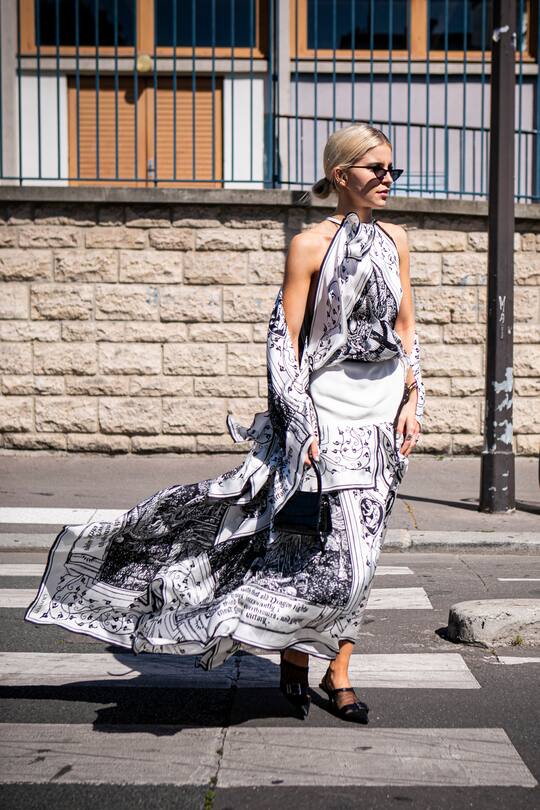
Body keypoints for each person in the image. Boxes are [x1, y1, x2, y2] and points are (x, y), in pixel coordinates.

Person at [26, 122, 424, 725]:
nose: (389, 180)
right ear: (342, 176)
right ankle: (300, 663)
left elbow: (406, 328)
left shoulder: (397, 240)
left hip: (380, 413)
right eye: (378, 170)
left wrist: (414, 398)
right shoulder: (309, 245)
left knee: (362, 554)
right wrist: (301, 421)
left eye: (394, 170)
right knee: (318, 549)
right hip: (326, 407)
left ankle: (335, 667)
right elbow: (283, 340)